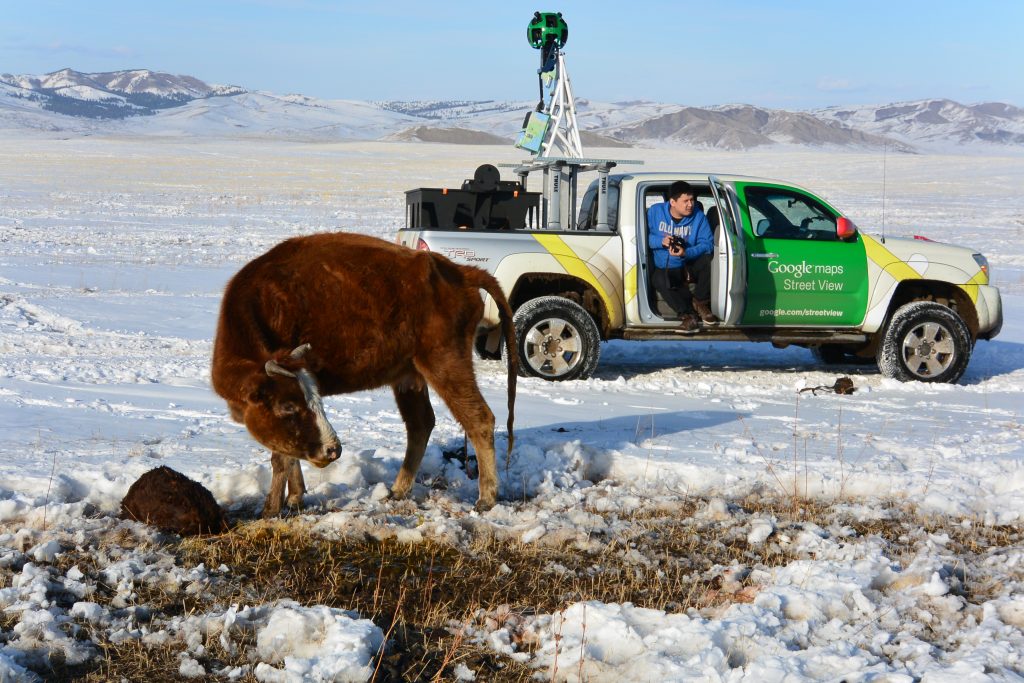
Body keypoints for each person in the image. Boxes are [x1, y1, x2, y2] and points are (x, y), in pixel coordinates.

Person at [647, 180, 719, 332]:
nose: (690, 204)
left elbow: (707, 244)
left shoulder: (698, 217)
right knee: (658, 279)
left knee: (709, 260)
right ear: (672, 201)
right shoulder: (655, 212)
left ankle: (700, 302)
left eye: (692, 200)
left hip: (689, 262)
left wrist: (686, 252)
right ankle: (688, 316)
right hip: (665, 264)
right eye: (685, 201)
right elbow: (640, 237)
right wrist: (661, 241)